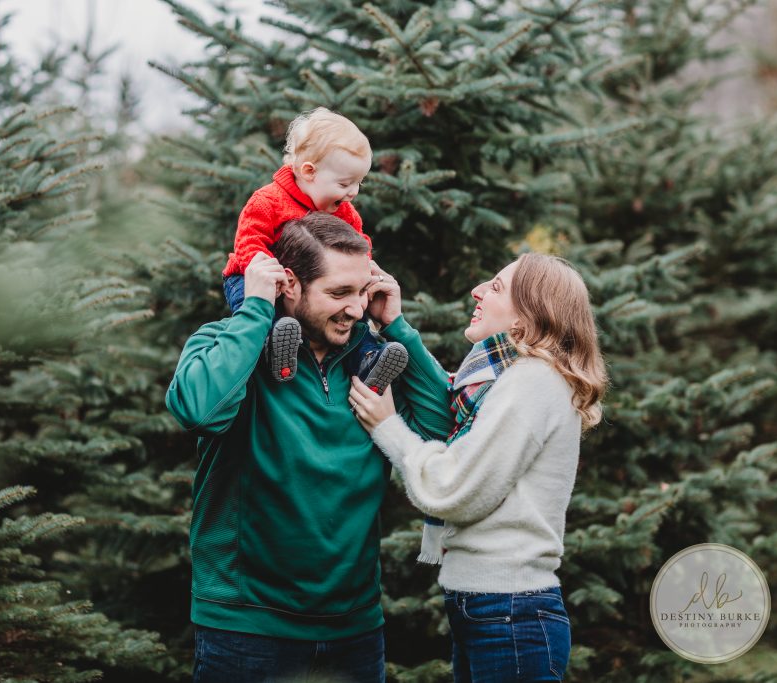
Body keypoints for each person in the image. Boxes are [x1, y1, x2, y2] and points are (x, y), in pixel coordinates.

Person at [167, 212, 453, 683]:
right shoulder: (227, 344)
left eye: (362, 291)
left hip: (355, 629)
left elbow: (444, 429)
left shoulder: (373, 361)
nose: (357, 309)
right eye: (339, 293)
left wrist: (397, 326)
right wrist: (257, 311)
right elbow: (198, 410)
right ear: (291, 284)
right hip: (247, 626)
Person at [347, 253, 608, 682]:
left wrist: (387, 426)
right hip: (496, 608)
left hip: (509, 611)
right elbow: (450, 404)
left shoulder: (530, 382)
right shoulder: (512, 380)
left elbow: (455, 490)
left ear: (530, 313)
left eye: (497, 286)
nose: (478, 291)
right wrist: (394, 325)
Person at [221, 106, 408, 392]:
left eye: (359, 182)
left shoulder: (345, 212)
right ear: (309, 172)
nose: (353, 192)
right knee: (258, 308)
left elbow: (359, 244)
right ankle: (274, 347)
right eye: (345, 183)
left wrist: (364, 273)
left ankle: (368, 360)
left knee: (353, 308)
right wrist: (268, 273)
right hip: (253, 277)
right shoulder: (268, 201)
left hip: (310, 285)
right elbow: (249, 240)